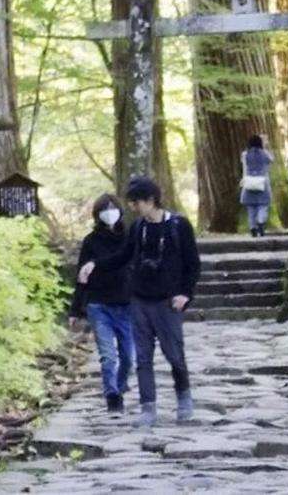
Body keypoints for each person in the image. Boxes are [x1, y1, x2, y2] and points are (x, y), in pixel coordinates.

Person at [78, 176, 200, 428]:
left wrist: (185, 294)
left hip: (168, 302)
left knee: (174, 354)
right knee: (143, 358)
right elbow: (123, 256)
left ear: (151, 200)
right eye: (131, 203)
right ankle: (148, 407)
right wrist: (94, 265)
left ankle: (184, 397)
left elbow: (193, 264)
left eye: (136, 202)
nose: (132, 208)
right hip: (139, 300)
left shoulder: (179, 226)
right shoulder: (138, 228)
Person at [69, 193, 134, 415]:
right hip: (99, 305)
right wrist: (75, 309)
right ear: (97, 215)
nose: (109, 212)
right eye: (104, 209)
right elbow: (81, 277)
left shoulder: (129, 237)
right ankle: (112, 396)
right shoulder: (91, 241)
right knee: (108, 356)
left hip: (126, 305)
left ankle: (120, 383)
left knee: (128, 357)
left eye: (112, 207)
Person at [240, 134, 274, 237]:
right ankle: (260, 221)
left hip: (249, 182)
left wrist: (243, 180)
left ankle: (253, 228)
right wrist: (266, 147)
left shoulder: (245, 154)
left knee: (251, 208)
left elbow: (244, 168)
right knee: (263, 205)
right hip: (263, 183)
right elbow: (272, 160)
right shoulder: (265, 154)